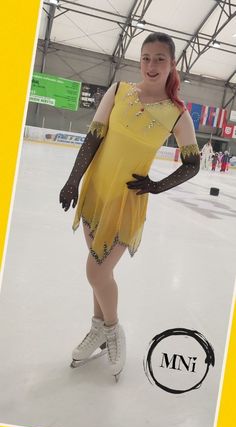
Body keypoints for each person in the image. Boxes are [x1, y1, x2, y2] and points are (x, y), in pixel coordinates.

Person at [59, 32, 200, 382]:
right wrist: (73, 180)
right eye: (146, 57)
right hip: (96, 191)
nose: (152, 65)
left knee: (95, 272)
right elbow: (94, 136)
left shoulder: (177, 115)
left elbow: (193, 163)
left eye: (160, 59)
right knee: (101, 273)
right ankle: (98, 330)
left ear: (172, 65)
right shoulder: (119, 90)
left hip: (126, 202)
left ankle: (113, 329)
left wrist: (155, 186)